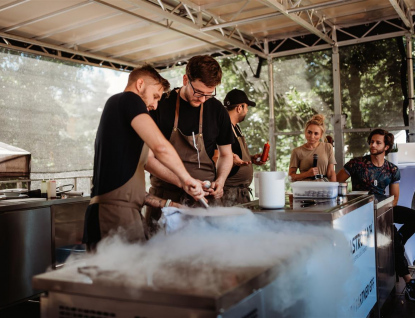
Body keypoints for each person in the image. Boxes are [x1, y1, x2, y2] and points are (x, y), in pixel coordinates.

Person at [82, 65, 204, 251]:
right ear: (140, 85)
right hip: (111, 217)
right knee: (116, 279)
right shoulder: (127, 99)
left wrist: (175, 196)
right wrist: (187, 178)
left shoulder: (124, 127)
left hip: (123, 214)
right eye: (155, 96)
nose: (155, 105)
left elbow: (149, 164)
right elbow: (160, 147)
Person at [145, 55, 234, 226]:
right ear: (186, 79)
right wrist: (183, 182)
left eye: (208, 95)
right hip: (166, 196)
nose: (202, 100)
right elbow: (147, 160)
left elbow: (226, 155)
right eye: (198, 92)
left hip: (206, 199)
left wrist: (220, 181)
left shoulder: (217, 110)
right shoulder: (160, 105)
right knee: (159, 250)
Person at [337, 128, 415, 301]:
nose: (373, 145)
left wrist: (384, 211)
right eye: (371, 141)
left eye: (378, 142)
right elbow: (336, 182)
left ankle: (400, 238)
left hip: (384, 208)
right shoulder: (356, 164)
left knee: (411, 220)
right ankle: (408, 282)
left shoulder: (392, 169)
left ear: (386, 146)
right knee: (393, 237)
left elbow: (394, 199)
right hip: (361, 210)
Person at [213, 89, 266, 205]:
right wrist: (231, 160)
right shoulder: (221, 128)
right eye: (246, 107)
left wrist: (250, 159)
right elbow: (215, 157)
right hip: (229, 194)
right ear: (239, 108)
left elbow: (234, 153)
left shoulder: (235, 127)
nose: (247, 111)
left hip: (240, 193)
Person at [289, 114, 336, 182]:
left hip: (324, 188)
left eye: (316, 133)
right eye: (309, 132)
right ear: (305, 132)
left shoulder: (328, 147)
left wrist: (334, 190)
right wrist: (307, 174)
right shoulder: (297, 151)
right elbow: (291, 177)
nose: (312, 136)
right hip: (305, 189)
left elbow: (331, 173)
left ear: (321, 135)